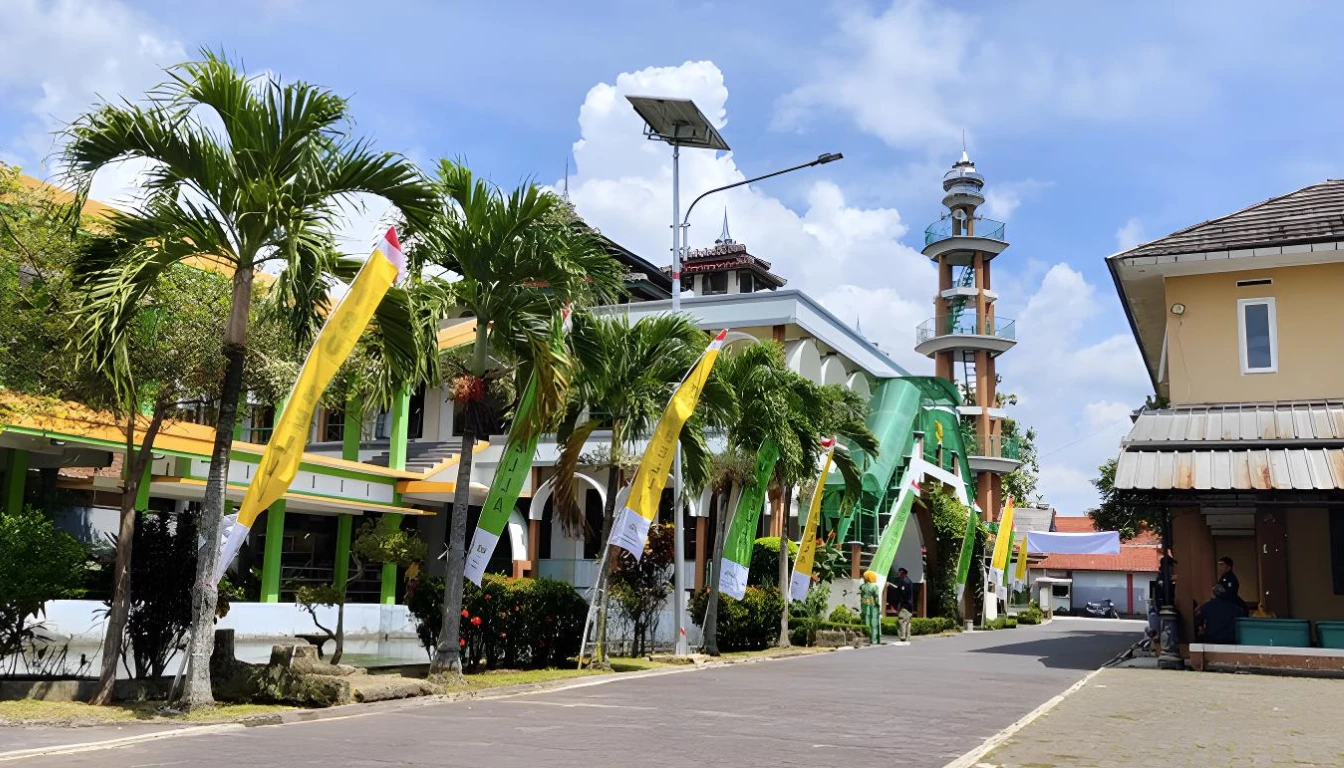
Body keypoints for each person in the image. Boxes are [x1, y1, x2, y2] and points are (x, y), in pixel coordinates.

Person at [892, 567, 915, 642]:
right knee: (908, 621)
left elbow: (902, 595)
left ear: (903, 573)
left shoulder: (904, 582)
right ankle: (908, 636)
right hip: (910, 605)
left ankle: (903, 636)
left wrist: (899, 605)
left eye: (900, 573)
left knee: (901, 620)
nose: (898, 574)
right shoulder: (909, 581)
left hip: (905, 605)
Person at [859, 570, 882, 646]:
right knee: (874, 622)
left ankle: (866, 638)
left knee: (866, 620)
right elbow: (876, 597)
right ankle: (874, 639)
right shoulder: (874, 586)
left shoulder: (863, 587)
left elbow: (861, 596)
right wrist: (878, 605)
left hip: (865, 604)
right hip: (873, 605)